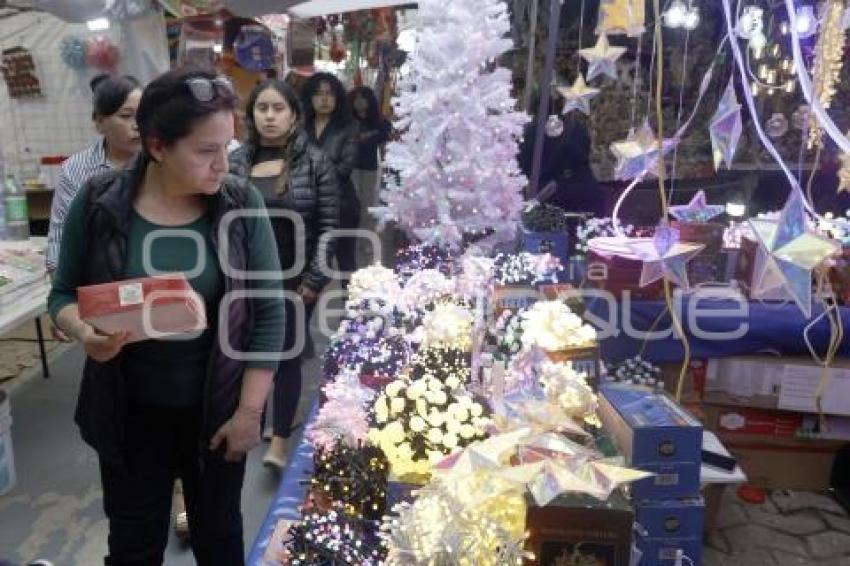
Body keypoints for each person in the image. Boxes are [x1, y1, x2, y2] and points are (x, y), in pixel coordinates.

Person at [47, 67, 286, 565]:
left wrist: (248, 415)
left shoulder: (240, 206)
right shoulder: (98, 204)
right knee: (134, 545)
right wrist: (83, 332)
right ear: (156, 146)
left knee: (219, 538)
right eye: (205, 151)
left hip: (217, 413)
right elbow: (62, 294)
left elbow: (267, 316)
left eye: (228, 147)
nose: (224, 164)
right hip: (129, 410)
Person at [229, 79, 339, 469]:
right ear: (252, 114)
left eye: (278, 109)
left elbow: (329, 227)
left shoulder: (314, 162)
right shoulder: (237, 161)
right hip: (246, 281)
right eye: (262, 109)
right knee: (248, 352)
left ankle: (279, 440)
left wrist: (312, 283)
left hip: (294, 282)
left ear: (294, 115)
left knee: (287, 355)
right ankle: (253, 416)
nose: (270, 116)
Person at [46, 74, 142, 274]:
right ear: (99, 122)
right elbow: (60, 231)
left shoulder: (161, 163)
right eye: (126, 116)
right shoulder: (76, 168)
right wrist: (60, 285)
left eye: (142, 115)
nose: (137, 125)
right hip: (95, 276)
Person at [301, 72, 359, 286]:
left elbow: (344, 169)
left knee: (346, 262)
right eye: (318, 94)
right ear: (309, 97)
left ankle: (352, 314)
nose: (324, 99)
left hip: (342, 205)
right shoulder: (299, 127)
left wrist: (307, 171)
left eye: (329, 94)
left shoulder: (348, 128)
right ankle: (303, 315)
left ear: (337, 98)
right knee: (309, 264)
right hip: (307, 206)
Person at [348, 86, 391, 266]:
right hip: (350, 169)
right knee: (352, 205)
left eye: (363, 98)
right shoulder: (348, 121)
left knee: (367, 206)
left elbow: (386, 133)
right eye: (356, 98)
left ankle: (365, 241)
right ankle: (350, 241)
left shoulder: (377, 122)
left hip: (369, 169)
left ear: (369, 101)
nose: (359, 102)